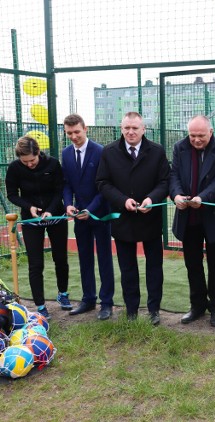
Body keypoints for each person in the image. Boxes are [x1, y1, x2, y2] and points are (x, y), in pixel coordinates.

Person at [96, 111, 170, 325]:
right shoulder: (109, 152)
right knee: (127, 268)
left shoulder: (156, 151)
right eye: (126, 128)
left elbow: (164, 181)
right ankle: (131, 311)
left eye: (135, 128)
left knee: (154, 266)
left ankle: (154, 310)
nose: (130, 132)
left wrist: (151, 199)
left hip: (150, 218)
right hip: (122, 219)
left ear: (143, 129)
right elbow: (102, 182)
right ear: (121, 129)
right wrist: (122, 200)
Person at [169, 115, 215, 327]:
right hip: (188, 216)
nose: (196, 139)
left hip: (213, 217)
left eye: (201, 136)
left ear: (210, 132)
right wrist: (176, 195)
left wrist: (202, 198)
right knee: (192, 264)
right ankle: (197, 306)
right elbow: (174, 175)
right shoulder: (180, 147)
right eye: (192, 135)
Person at [5, 136, 70, 319]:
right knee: (35, 263)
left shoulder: (53, 165)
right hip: (31, 220)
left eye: (32, 160)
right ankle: (40, 305)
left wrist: (50, 210)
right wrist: (29, 207)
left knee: (60, 258)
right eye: (24, 161)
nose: (29, 164)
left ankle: (63, 294)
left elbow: (59, 191)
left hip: (55, 216)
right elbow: (12, 194)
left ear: (38, 153)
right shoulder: (15, 168)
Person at [61, 113, 116, 320]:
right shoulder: (66, 154)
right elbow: (66, 184)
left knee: (104, 258)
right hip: (79, 216)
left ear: (86, 129)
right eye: (69, 133)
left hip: (100, 214)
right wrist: (68, 205)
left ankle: (107, 303)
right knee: (84, 258)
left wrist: (90, 210)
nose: (73, 136)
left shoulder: (101, 152)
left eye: (77, 132)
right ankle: (88, 299)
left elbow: (105, 186)